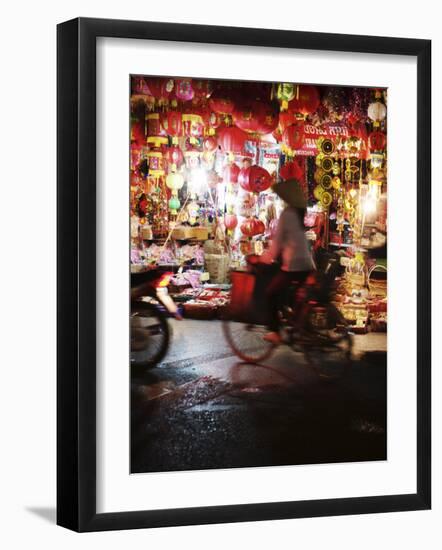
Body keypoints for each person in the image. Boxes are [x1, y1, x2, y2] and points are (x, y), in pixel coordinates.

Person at [259, 178, 314, 344]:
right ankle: (295, 325)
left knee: (271, 292)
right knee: (292, 294)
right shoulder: (298, 214)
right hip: (307, 263)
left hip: (294, 265)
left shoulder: (287, 214)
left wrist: (265, 258)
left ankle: (275, 332)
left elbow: (277, 243)